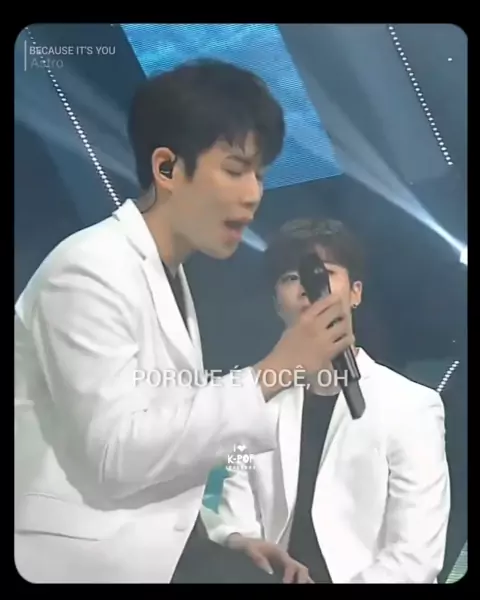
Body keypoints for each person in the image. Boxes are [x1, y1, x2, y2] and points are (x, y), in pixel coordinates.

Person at [14, 60, 354, 583]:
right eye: (235, 170)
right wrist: (276, 369)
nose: (253, 194)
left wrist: (229, 537)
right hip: (81, 562)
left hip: (153, 552)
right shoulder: (88, 267)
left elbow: (169, 442)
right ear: (167, 168)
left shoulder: (168, 274)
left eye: (260, 176)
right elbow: (115, 454)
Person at [205, 218, 451, 583]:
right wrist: (236, 537)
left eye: (324, 273)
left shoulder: (411, 406)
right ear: (276, 303)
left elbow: (416, 557)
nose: (308, 287)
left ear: (355, 293)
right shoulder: (251, 396)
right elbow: (218, 485)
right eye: (292, 277)